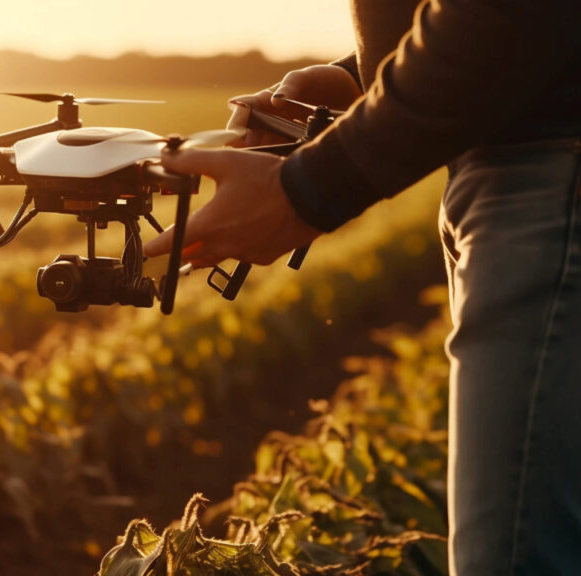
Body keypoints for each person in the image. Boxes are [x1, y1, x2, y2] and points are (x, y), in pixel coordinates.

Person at [143, 1, 581, 574]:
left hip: (550, 176)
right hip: (531, 165)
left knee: (518, 554)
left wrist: (308, 190)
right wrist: (369, 70)